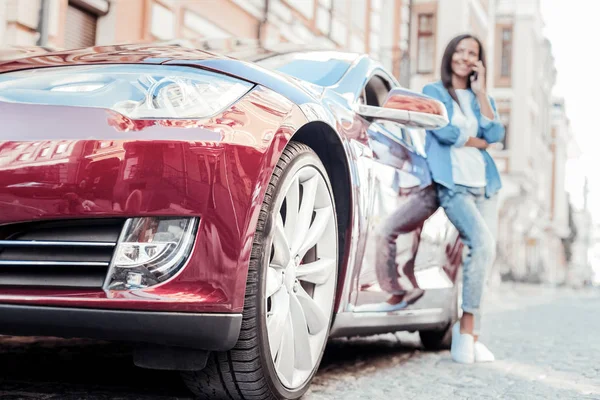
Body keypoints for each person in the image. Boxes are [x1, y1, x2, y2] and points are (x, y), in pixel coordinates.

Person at [421, 33, 505, 364]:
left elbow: (496, 134)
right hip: (452, 185)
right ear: (450, 54)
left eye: (472, 53)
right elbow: (441, 131)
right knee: (482, 244)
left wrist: (481, 91)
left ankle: (471, 336)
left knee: (483, 256)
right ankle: (466, 329)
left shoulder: (478, 97)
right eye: (460, 51)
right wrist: (476, 141)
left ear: (478, 60)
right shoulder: (433, 92)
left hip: (484, 185)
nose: (465, 57)